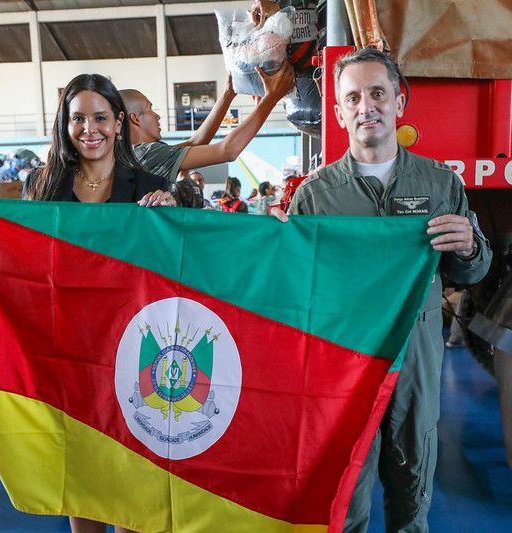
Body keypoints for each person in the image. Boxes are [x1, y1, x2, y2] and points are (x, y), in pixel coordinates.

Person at [0, 73, 174, 533]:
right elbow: (17, 259)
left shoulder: (149, 185)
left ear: (119, 123)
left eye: (100, 117)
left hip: (130, 349)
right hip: (66, 352)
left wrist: (170, 219)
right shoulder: (43, 184)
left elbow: (176, 266)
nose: (89, 129)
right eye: (77, 118)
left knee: (135, 473)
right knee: (82, 470)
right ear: (64, 124)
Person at [274, 47, 492, 532]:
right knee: (344, 496)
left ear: (399, 101)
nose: (365, 106)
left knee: (412, 487)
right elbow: (300, 292)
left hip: (416, 357)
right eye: (352, 97)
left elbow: (469, 275)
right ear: (337, 112)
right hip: (345, 362)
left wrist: (471, 247)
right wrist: (280, 247)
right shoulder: (316, 194)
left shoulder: (439, 183)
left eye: (377, 93)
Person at [120, 62, 294, 186]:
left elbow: (195, 143)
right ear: (135, 118)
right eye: (150, 109)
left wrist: (228, 94)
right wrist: (271, 97)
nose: (157, 116)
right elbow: (227, 151)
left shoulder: (133, 154)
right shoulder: (145, 153)